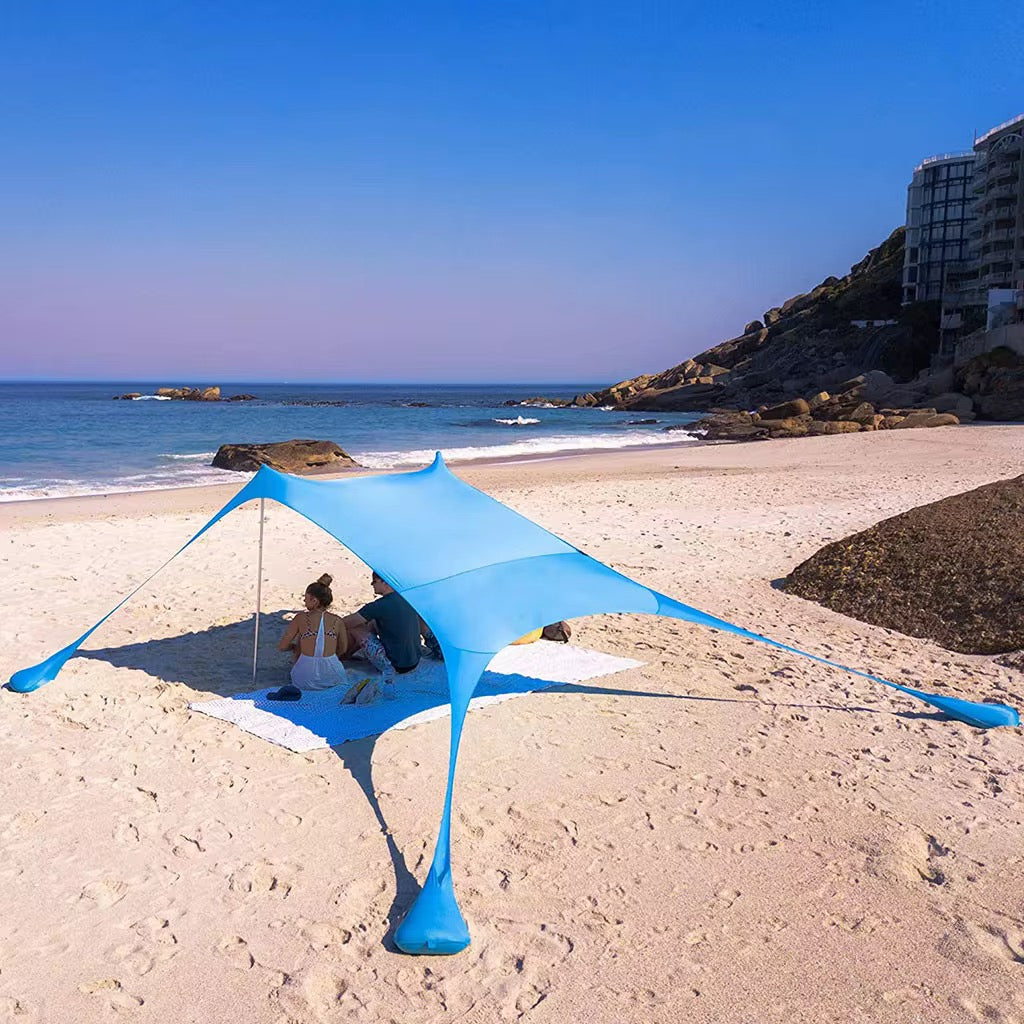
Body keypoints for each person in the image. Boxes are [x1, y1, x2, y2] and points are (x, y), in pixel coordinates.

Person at [339, 570, 422, 700]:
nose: (372, 584)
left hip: (395, 665)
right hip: (414, 660)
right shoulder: (406, 597)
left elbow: (346, 623)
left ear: (385, 582)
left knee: (356, 629)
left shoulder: (379, 605)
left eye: (374, 581)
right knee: (372, 622)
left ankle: (344, 655)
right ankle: (347, 654)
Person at [267, 574, 348, 701]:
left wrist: (295, 647)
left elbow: (282, 646)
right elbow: (343, 649)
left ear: (314, 600)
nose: (304, 601)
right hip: (332, 675)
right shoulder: (337, 621)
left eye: (306, 598)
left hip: (305, 678)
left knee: (302, 640)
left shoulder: (300, 618)